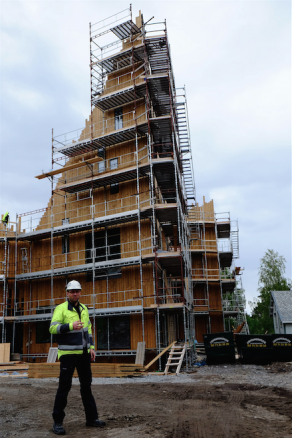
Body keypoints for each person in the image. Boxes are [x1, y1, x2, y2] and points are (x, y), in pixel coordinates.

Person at [49, 280, 105, 435]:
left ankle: (92, 419)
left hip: (84, 354)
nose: (75, 293)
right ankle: (57, 422)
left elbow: (89, 330)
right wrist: (70, 326)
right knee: (64, 388)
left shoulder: (84, 308)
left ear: (80, 292)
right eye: (72, 291)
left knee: (86, 386)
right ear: (67, 293)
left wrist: (92, 347)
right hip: (67, 355)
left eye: (77, 291)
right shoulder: (61, 309)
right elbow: (52, 328)